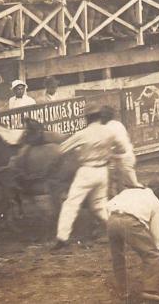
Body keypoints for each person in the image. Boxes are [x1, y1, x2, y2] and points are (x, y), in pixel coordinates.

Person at [51, 102, 129, 251]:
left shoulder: (83, 133)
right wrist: (108, 153)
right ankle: (122, 230)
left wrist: (79, 151)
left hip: (86, 171)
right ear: (100, 116)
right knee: (99, 205)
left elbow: (60, 150)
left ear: (87, 118)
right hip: (102, 171)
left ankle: (62, 238)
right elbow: (122, 149)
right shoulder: (109, 132)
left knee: (71, 204)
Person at [106, 179, 159, 302]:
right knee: (152, 255)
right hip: (130, 222)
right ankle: (149, 290)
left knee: (118, 257)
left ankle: (123, 291)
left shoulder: (129, 192)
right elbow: (157, 233)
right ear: (158, 191)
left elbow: (109, 204)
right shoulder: (155, 202)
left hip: (112, 219)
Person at [101, 105, 143, 196]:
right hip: (118, 158)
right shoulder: (117, 124)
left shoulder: (109, 127)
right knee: (110, 184)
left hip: (124, 158)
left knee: (132, 185)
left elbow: (121, 148)